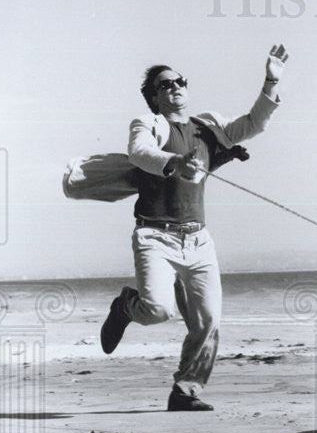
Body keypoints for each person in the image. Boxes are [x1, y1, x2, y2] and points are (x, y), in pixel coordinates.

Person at [100, 45, 289, 411]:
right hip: (155, 236)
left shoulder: (207, 128)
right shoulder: (148, 124)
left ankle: (185, 391)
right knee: (157, 310)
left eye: (180, 81)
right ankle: (126, 307)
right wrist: (173, 162)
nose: (175, 87)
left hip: (198, 240)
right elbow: (140, 153)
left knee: (208, 321)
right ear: (154, 97)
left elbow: (252, 124)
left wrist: (271, 80)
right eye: (165, 84)